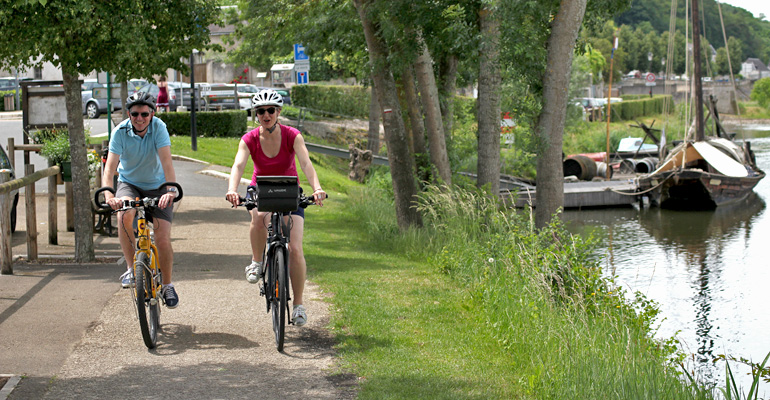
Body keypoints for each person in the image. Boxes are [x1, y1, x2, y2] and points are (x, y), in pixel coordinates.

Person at [225, 89, 327, 327]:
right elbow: (238, 165)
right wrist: (232, 189)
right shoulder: (249, 139)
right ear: (256, 114)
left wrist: (317, 188)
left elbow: (305, 162)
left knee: (296, 249)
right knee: (259, 216)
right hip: (260, 188)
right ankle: (257, 262)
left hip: (289, 188)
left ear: (278, 112)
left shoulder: (293, 136)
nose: (266, 114)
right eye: (261, 111)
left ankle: (299, 305)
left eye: (271, 110)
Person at [102, 91, 180, 308]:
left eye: (144, 114)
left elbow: (167, 163)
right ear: (128, 114)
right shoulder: (120, 132)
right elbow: (110, 168)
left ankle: (167, 285)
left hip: (158, 185)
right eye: (135, 114)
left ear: (152, 114)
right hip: (130, 184)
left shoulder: (159, 128)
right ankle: (130, 268)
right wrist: (109, 195)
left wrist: (170, 191)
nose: (140, 118)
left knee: (162, 239)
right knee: (124, 215)